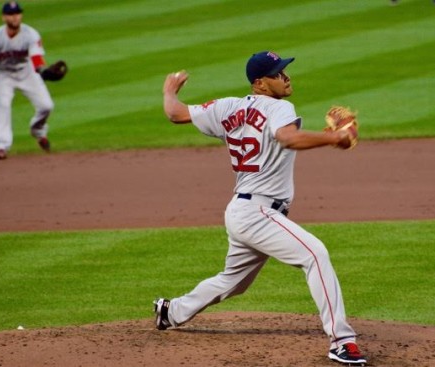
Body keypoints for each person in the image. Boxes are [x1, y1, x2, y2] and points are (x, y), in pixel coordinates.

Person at [155, 51, 367, 365]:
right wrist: (337, 138)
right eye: (278, 73)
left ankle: (169, 312)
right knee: (315, 254)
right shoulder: (280, 107)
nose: (286, 77)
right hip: (257, 214)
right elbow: (287, 138)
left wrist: (169, 91)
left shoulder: (227, 107)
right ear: (260, 83)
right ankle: (341, 341)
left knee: (233, 282)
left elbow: (175, 113)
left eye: (284, 71)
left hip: (242, 211)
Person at [0, 1, 54, 160]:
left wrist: (42, 72)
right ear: (4, 17)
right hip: (3, 75)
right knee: (3, 104)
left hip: (26, 72)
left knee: (47, 106)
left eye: (17, 13)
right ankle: (2, 146)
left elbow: (36, 58)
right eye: (10, 14)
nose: (15, 17)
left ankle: (38, 131)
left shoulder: (30, 34)